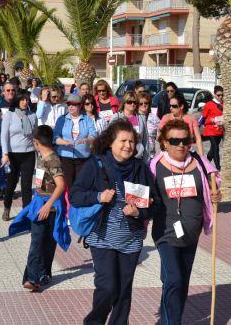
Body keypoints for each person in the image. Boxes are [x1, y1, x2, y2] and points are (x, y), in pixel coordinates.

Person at [70, 120, 155, 325]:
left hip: (131, 240)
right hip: (101, 238)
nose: (128, 146)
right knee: (107, 287)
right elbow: (75, 196)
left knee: (123, 291)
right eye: (123, 141)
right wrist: (99, 197)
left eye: (132, 142)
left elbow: (154, 204)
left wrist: (139, 213)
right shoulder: (95, 164)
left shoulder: (140, 168)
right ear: (110, 143)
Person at [149, 120, 221, 325]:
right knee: (174, 279)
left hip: (191, 233)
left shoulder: (199, 163)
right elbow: (146, 196)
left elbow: (212, 186)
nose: (181, 145)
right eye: (175, 140)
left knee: (181, 282)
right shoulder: (154, 166)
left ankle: (171, 320)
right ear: (164, 142)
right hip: (166, 232)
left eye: (185, 140)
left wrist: (215, 194)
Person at [8, 125, 69, 292]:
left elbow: (61, 185)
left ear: (36, 142)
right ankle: (37, 276)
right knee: (39, 241)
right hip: (39, 204)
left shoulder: (52, 160)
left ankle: (36, 277)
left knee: (44, 242)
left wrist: (48, 205)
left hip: (49, 207)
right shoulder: (42, 158)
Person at [53, 94, 98, 205]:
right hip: (66, 158)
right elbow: (55, 137)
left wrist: (87, 140)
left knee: (81, 186)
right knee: (69, 186)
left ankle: (78, 209)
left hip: (83, 158)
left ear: (80, 105)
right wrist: (64, 142)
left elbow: (94, 135)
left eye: (74, 104)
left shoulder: (87, 119)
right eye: (69, 104)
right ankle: (69, 211)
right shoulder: (62, 119)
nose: (71, 107)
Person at [0, 92, 38, 221]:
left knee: (26, 185)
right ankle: (7, 208)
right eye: (22, 100)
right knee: (11, 183)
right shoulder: (10, 115)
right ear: (17, 101)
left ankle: (26, 212)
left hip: (29, 154)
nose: (24, 102)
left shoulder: (32, 116)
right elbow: (4, 135)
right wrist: (5, 154)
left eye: (26, 100)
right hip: (13, 155)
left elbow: (35, 135)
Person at [0, 82, 17, 200]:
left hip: (17, 142)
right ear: (3, 92)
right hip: (2, 141)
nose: (10, 92)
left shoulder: (19, 103)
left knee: (15, 167)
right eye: (8, 90)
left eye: (12, 90)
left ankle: (10, 188)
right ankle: (2, 188)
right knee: (2, 165)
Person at [109, 91, 149, 161]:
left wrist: (146, 161)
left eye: (135, 102)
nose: (132, 104)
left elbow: (145, 141)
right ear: (124, 103)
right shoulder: (116, 117)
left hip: (137, 157)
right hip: (120, 157)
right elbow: (110, 139)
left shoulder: (141, 118)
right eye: (129, 102)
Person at [202, 85, 224, 170]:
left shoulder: (224, 104)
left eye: (222, 95)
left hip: (219, 129)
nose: (220, 97)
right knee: (215, 147)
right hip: (210, 130)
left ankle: (206, 164)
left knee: (212, 149)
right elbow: (203, 117)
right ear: (214, 94)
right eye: (218, 95)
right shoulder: (209, 104)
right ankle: (218, 167)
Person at [138, 92, 160, 159]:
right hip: (137, 155)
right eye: (141, 103)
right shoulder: (133, 117)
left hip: (151, 155)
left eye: (146, 103)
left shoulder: (155, 118)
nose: (143, 105)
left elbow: (160, 138)